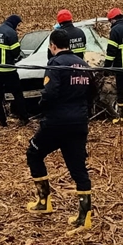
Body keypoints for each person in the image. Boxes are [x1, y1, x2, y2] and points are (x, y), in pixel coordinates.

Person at [26, 28, 94, 228]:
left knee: (34, 153)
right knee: (78, 169)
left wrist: (41, 109)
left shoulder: (55, 64)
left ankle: (43, 202)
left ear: (53, 46)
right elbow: (93, 93)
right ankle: (84, 217)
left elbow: (50, 93)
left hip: (56, 123)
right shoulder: (84, 65)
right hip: (79, 123)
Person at [0, 14, 25, 127]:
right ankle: (23, 117)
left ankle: (2, 121)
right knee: (17, 94)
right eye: (18, 25)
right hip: (6, 70)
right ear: (14, 23)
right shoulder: (11, 33)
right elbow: (16, 52)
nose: (18, 27)